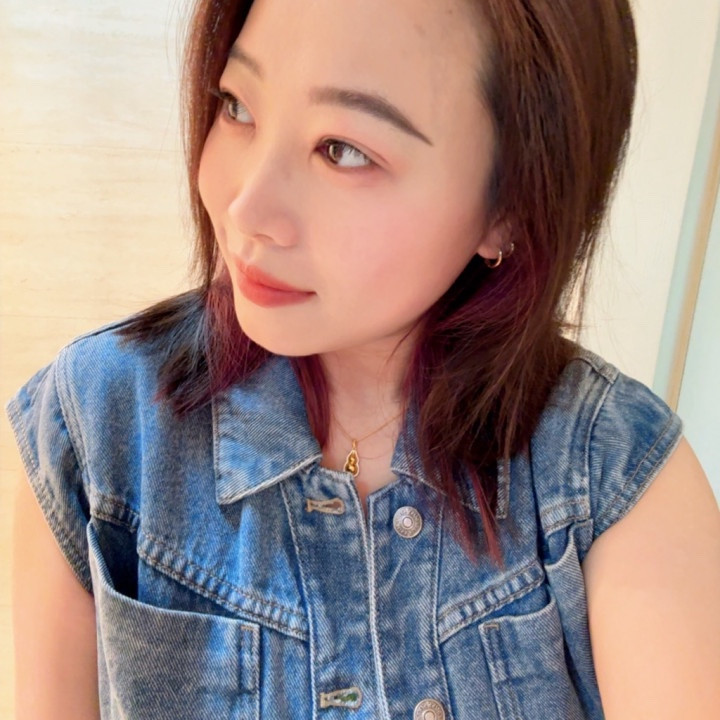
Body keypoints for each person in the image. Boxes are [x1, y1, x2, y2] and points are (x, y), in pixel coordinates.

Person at [7, 0, 720, 718]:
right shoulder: (95, 431)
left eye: (343, 149)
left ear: (509, 206)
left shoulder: (611, 481)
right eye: (238, 105)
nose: (246, 208)